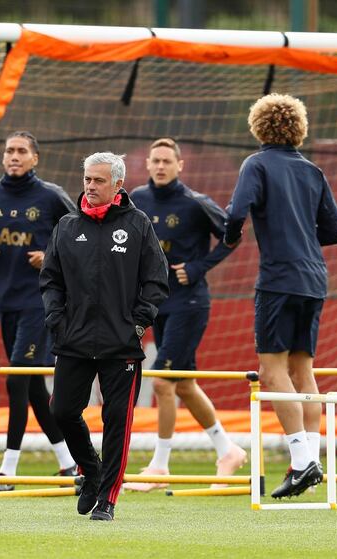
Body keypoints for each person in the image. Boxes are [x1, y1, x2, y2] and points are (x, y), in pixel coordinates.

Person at [224, 93, 337, 499]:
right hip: (314, 279)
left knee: (271, 368)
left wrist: (228, 235)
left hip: (278, 278)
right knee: (302, 368)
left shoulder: (256, 164)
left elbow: (237, 211)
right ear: (298, 128)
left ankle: (302, 460)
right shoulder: (313, 171)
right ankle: (310, 458)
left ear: (258, 126)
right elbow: (335, 232)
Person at [40, 152, 169, 521]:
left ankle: (108, 499)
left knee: (117, 421)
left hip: (121, 345)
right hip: (73, 340)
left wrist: (138, 325)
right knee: (62, 411)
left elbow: (157, 282)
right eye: (86, 179)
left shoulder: (138, 224)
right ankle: (91, 469)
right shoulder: (66, 225)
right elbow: (51, 279)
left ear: (117, 185)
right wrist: (56, 319)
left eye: (98, 181)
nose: (90, 186)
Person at [124, 138, 246, 493]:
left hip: (190, 304)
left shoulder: (195, 203)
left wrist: (198, 267)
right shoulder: (137, 200)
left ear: (180, 166)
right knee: (185, 385)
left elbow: (232, 235)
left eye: (167, 161)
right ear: (147, 164)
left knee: (162, 382)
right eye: (156, 160)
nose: (161, 166)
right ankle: (229, 450)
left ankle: (160, 466)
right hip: (156, 304)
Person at [0, 131, 77, 491]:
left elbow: (81, 234)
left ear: (35, 159)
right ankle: (69, 464)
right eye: (9, 151)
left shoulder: (50, 196)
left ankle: (8, 471)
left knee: (17, 378)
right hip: (6, 300)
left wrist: (51, 256)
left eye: (21, 151)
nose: (14, 156)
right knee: (30, 388)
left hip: (40, 301)